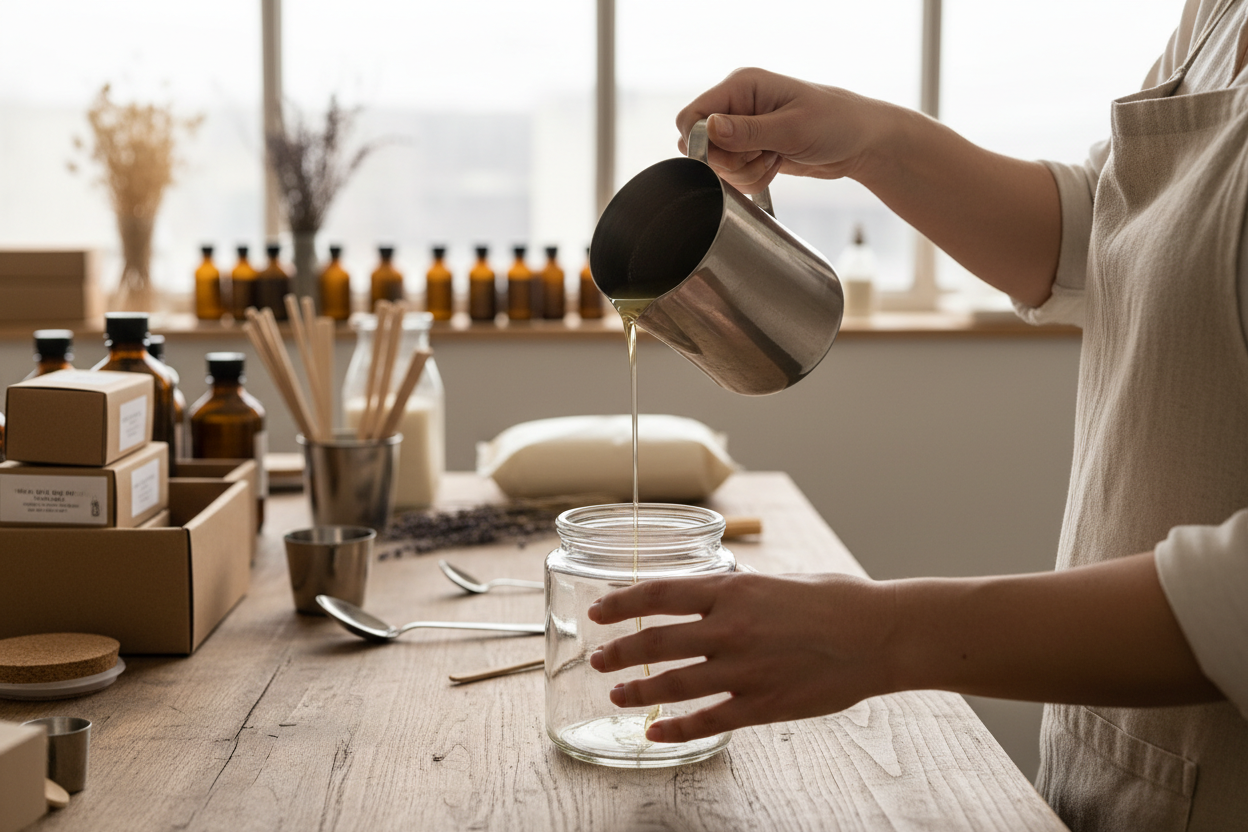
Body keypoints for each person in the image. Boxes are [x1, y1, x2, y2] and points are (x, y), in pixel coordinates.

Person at [587, 0, 1248, 829]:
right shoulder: (1217, 14)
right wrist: (871, 138)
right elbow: (1105, 232)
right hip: (1119, 761)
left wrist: (884, 633)